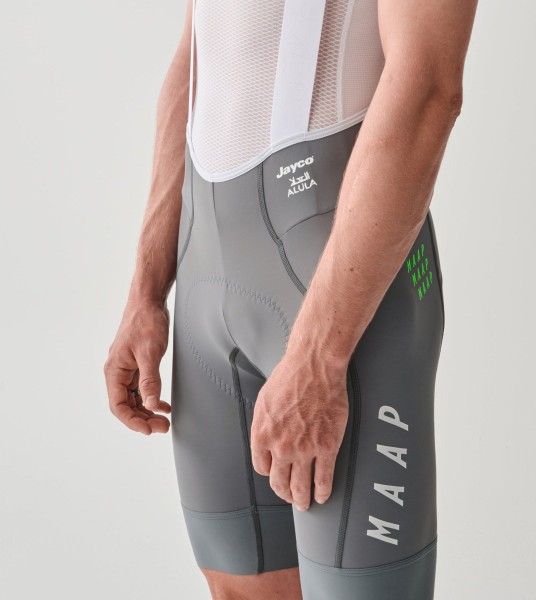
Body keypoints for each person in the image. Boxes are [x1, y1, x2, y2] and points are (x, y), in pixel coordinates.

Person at [104, 0, 478, 598]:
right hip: (204, 282)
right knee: (237, 586)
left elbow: (429, 88)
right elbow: (198, 50)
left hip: (340, 302)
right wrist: (147, 289)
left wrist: (318, 358)